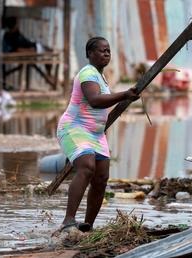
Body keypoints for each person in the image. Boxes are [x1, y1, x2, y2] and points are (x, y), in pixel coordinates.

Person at [56, 37, 139, 232]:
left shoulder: (102, 77)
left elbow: (103, 102)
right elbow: (94, 100)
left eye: (108, 50)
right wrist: (125, 94)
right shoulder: (87, 73)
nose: (106, 53)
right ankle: (68, 220)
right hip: (74, 128)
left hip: (95, 135)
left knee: (101, 178)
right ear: (90, 54)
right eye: (102, 50)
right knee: (86, 166)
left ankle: (88, 226)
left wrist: (125, 95)